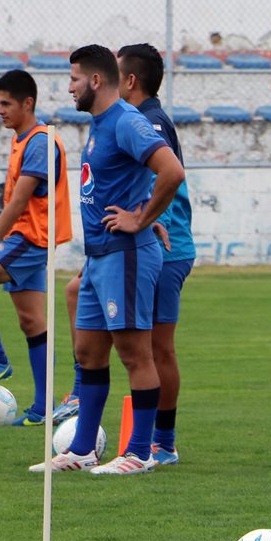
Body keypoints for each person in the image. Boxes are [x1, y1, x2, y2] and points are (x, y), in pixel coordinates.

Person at [28, 44, 184, 476]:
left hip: (127, 256)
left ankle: (139, 452)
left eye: (75, 78)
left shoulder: (128, 122)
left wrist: (141, 217)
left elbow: (172, 171)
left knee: (135, 353)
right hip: (99, 258)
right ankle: (81, 450)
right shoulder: (101, 124)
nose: (70, 86)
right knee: (89, 353)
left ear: (96, 81)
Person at [0, 70, 71, 426]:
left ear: (27, 103)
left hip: (31, 239)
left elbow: (19, 202)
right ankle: (44, 408)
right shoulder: (23, 139)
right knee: (32, 321)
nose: (0, 110)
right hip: (28, 238)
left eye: (6, 103)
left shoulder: (39, 141)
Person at [116, 43, 195, 465]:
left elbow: (165, 179)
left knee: (157, 349)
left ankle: (162, 442)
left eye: (114, 73)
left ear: (130, 80)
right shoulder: (135, 119)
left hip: (168, 248)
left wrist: (142, 218)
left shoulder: (150, 123)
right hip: (152, 245)